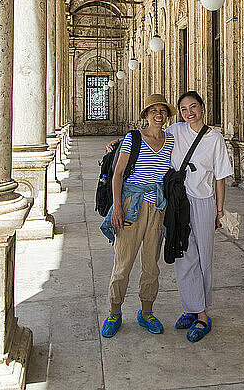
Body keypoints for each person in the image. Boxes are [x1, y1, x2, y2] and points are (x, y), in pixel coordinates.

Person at [101, 94, 176, 338]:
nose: (158, 114)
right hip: (131, 206)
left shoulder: (171, 139)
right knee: (123, 264)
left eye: (162, 111)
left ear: (166, 116)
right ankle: (114, 312)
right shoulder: (133, 139)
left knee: (151, 265)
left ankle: (146, 312)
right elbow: (118, 174)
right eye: (153, 110)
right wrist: (117, 207)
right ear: (145, 115)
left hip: (157, 208)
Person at [167, 91, 233, 343]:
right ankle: (189, 307)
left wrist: (220, 209)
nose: (189, 113)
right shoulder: (176, 131)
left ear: (202, 107)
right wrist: (121, 144)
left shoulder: (214, 138)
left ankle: (202, 314)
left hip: (204, 202)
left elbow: (220, 176)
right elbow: (151, 137)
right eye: (183, 109)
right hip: (178, 202)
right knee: (183, 254)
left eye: (193, 106)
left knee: (204, 255)